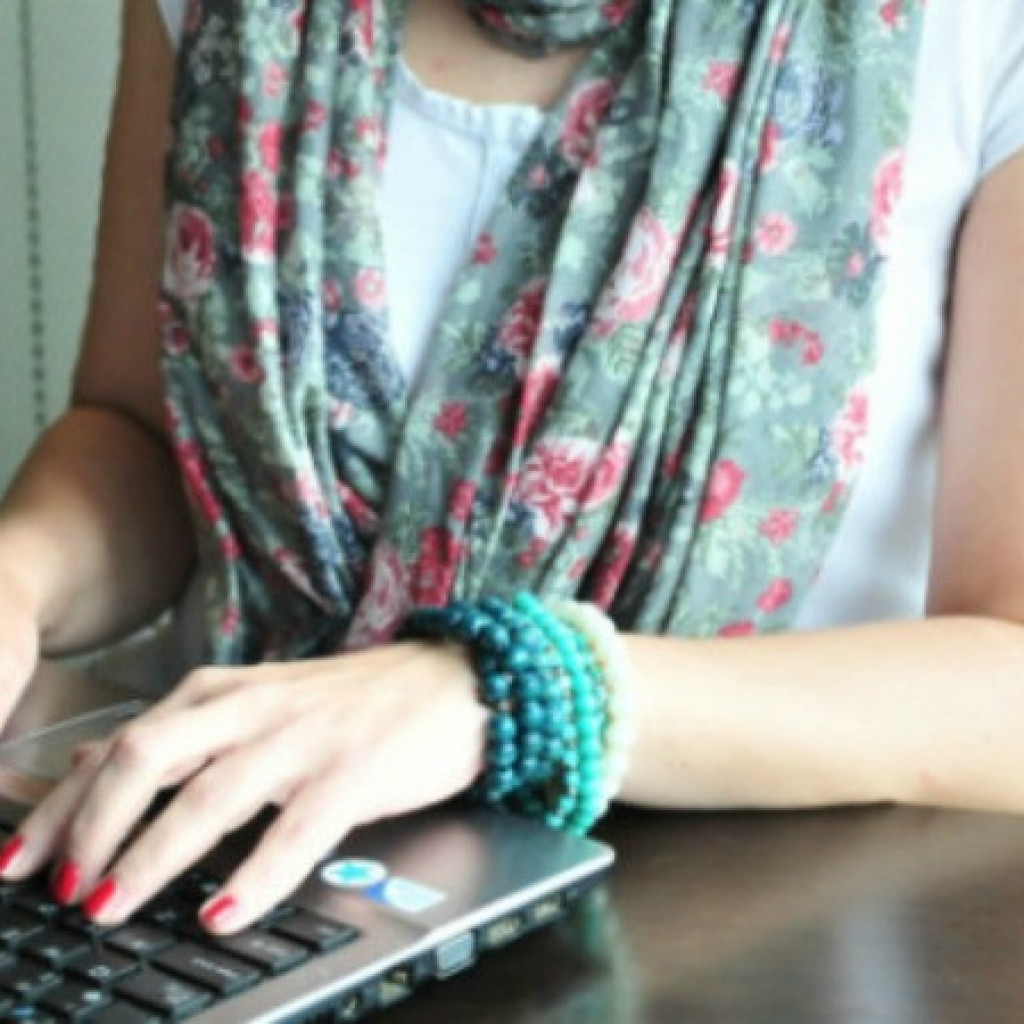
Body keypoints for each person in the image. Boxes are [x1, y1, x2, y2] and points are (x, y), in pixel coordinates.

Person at [0, 0, 1022, 939]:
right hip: (234, 885)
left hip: (735, 936)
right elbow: (140, 432)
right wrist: (18, 578)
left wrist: (509, 692)